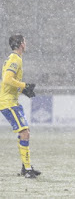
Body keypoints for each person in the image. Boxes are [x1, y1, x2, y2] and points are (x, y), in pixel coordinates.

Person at [0, 34, 41, 178]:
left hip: (11, 101)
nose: (26, 43)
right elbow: (7, 79)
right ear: (21, 44)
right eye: (25, 41)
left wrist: (23, 90)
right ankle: (27, 170)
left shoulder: (15, 58)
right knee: (24, 132)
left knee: (25, 131)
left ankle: (26, 167)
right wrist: (24, 85)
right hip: (8, 102)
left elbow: (10, 81)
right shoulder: (15, 59)